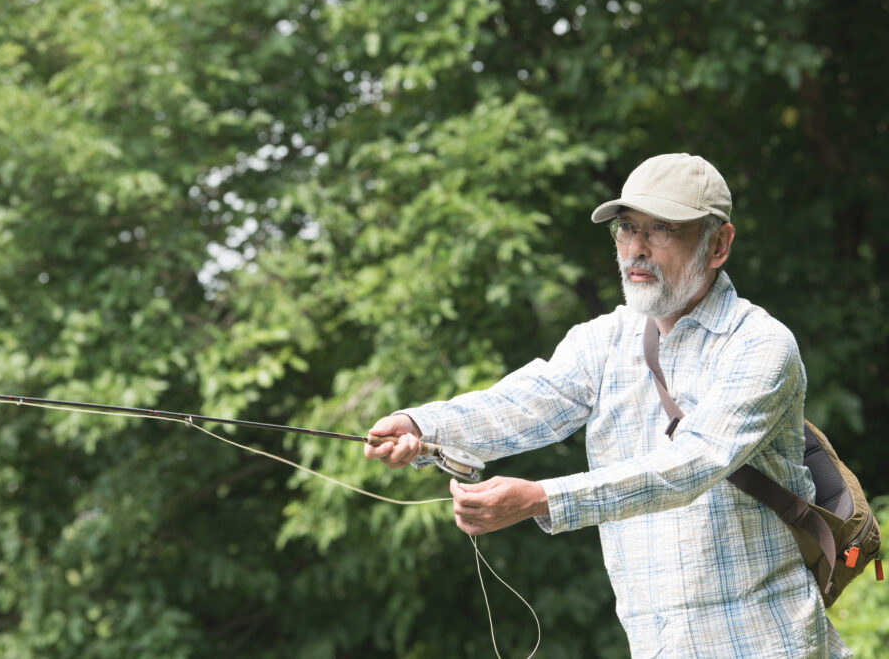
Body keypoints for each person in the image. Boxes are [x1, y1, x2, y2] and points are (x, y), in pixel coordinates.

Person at [363, 153, 851, 658]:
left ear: (719, 245)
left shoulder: (760, 345)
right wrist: (421, 424)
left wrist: (542, 498)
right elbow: (522, 404)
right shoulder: (603, 340)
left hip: (768, 644)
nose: (636, 249)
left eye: (661, 229)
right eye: (626, 228)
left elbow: (689, 466)